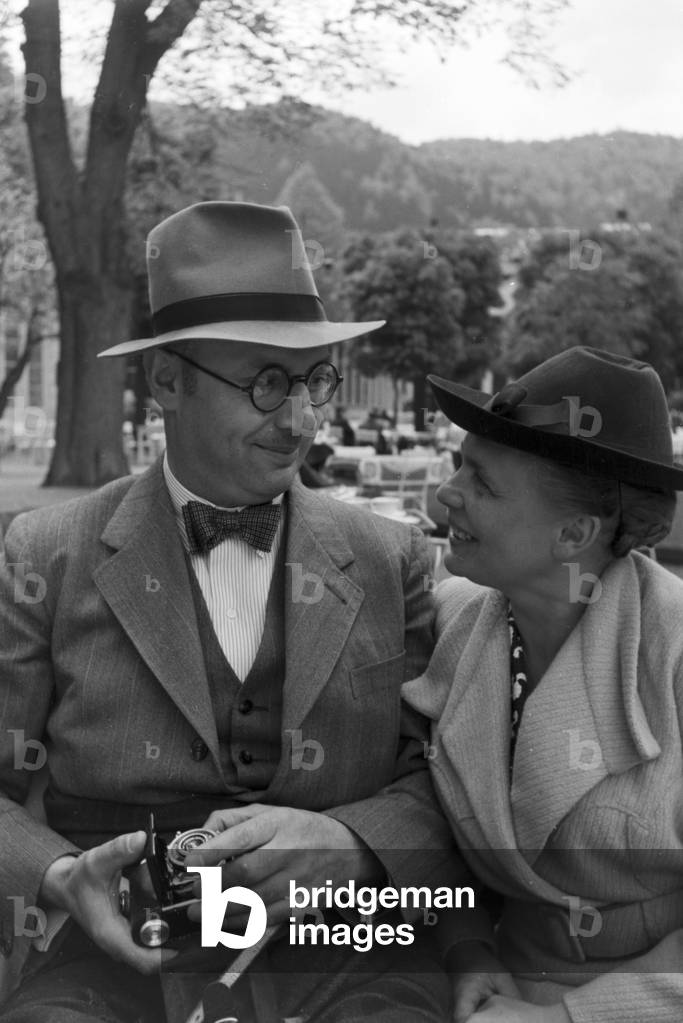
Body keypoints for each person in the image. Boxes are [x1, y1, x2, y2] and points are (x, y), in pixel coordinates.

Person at [0, 202, 459, 1023]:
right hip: (117, 953)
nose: (301, 422)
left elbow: (445, 775)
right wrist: (67, 876)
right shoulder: (46, 554)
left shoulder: (393, 559)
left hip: (347, 952)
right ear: (166, 381)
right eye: (265, 381)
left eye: (315, 379)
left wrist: (351, 842)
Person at [403, 346, 683, 1022]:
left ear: (574, 533)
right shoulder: (457, 623)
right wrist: (466, 947)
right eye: (457, 465)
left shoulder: (672, 653)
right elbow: (424, 829)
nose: (446, 493)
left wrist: (565, 1018)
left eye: (483, 482)